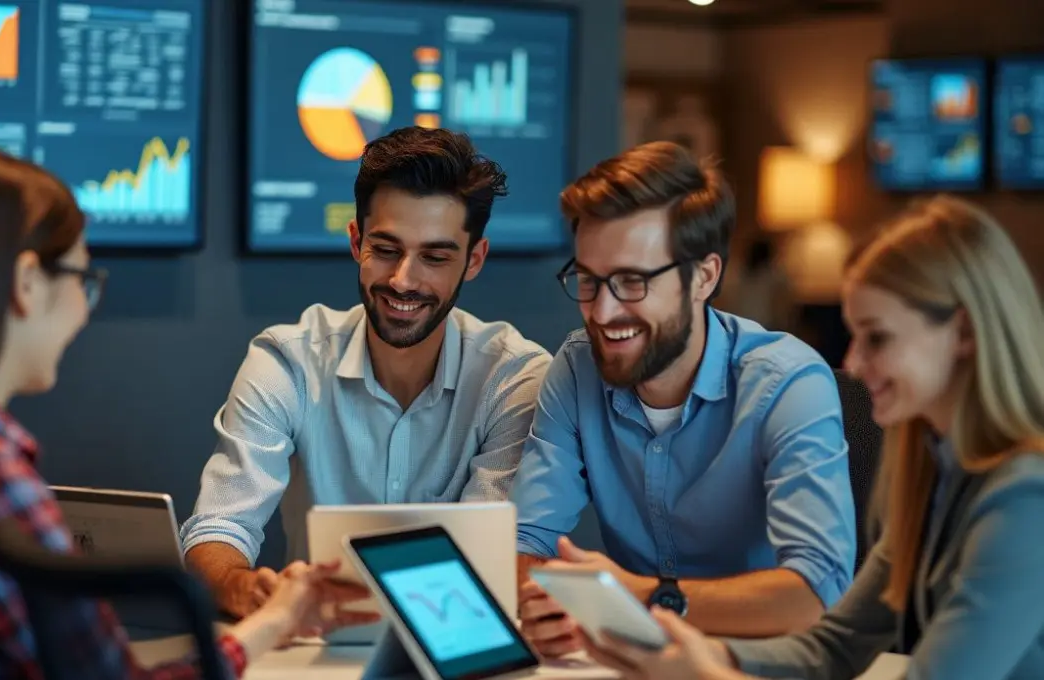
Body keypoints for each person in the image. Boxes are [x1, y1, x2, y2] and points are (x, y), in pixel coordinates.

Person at [0, 148, 373, 679]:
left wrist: (272, 621)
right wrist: (275, 621)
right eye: (82, 277)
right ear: (26, 282)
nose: (84, 307)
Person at [576, 195, 1044, 680]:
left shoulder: (1026, 498)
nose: (854, 364)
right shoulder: (931, 477)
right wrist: (704, 656)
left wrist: (705, 675)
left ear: (963, 332)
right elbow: (833, 648)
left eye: (877, 338)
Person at [182, 127, 552, 617]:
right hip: (310, 642)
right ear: (357, 242)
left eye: (435, 257)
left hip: (455, 639)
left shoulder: (514, 378)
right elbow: (221, 524)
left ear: (474, 260)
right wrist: (237, 586)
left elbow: (485, 558)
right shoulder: (287, 361)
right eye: (387, 249)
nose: (403, 280)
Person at [512, 141, 856, 656]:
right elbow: (525, 542)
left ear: (704, 276)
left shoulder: (788, 381)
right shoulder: (577, 368)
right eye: (588, 280)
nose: (602, 312)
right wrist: (546, 606)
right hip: (634, 660)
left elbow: (815, 594)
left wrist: (644, 598)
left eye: (632, 281)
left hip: (760, 664)